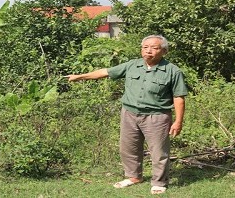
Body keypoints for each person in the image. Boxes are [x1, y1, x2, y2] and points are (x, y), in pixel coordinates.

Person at [65, 35, 187, 195]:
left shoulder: (172, 71)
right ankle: (133, 176)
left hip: (156, 116)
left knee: (158, 151)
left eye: (154, 48)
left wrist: (178, 121)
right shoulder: (132, 65)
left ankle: (159, 182)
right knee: (128, 148)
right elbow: (106, 72)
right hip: (129, 113)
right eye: (145, 47)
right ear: (141, 49)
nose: (148, 51)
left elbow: (178, 97)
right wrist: (80, 77)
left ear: (164, 51)